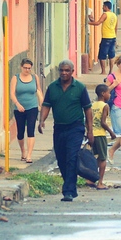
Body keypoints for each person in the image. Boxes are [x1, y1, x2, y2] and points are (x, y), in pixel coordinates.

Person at [38, 60, 95, 202]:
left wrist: (90, 130)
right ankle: (70, 187)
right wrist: (41, 121)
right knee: (61, 159)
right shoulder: (52, 87)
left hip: (75, 128)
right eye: (62, 70)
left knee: (71, 157)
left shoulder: (79, 88)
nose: (64, 73)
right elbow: (46, 105)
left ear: (72, 71)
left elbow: (87, 109)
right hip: (59, 128)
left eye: (67, 70)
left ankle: (68, 191)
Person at [9, 58, 43, 164]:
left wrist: (42, 104)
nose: (27, 70)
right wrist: (18, 104)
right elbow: (12, 93)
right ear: (21, 67)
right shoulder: (16, 78)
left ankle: (29, 155)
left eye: (29, 68)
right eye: (25, 68)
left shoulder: (34, 77)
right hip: (19, 109)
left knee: (31, 130)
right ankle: (23, 151)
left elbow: (38, 91)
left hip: (32, 107)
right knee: (20, 132)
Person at [90, 84, 117, 189]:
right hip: (100, 134)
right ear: (103, 94)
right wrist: (111, 132)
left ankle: (90, 179)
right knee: (102, 159)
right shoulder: (105, 106)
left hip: (92, 134)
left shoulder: (93, 105)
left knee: (94, 158)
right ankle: (100, 182)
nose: (109, 95)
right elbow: (103, 122)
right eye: (108, 93)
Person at [87, 1, 118, 76]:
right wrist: (115, 37)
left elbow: (98, 23)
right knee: (111, 55)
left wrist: (87, 23)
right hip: (113, 37)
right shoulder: (114, 15)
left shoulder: (105, 14)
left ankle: (103, 71)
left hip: (106, 37)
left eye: (103, 6)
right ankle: (110, 71)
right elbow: (116, 27)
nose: (102, 8)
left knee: (102, 55)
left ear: (106, 7)